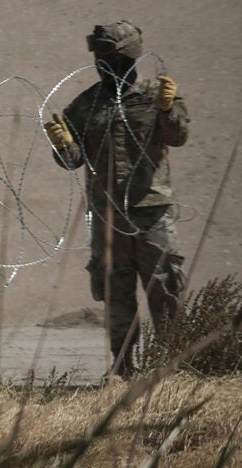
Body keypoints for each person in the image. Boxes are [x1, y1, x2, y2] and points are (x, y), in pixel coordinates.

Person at [44, 21, 189, 377]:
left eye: (111, 57)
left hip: (151, 211)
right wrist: (62, 143)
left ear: (130, 57)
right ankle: (123, 365)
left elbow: (178, 136)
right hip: (108, 215)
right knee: (115, 292)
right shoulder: (86, 104)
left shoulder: (155, 93)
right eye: (99, 58)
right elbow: (72, 161)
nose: (103, 64)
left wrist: (167, 109)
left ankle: (176, 364)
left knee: (164, 288)